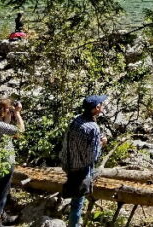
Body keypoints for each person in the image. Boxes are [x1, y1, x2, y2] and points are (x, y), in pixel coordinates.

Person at [60, 95, 107, 227]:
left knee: (76, 198)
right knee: (78, 201)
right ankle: (74, 224)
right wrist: (101, 144)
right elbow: (92, 156)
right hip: (81, 169)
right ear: (96, 108)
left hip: (68, 164)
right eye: (101, 104)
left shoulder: (76, 120)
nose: (103, 106)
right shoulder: (93, 128)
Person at [0, 98, 25, 225]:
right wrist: (17, 114)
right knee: (0, 193)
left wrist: (8, 115)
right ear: (1, 111)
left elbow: (6, 128)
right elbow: (20, 132)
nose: (9, 110)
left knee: (1, 190)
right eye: (6, 108)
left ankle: (2, 216)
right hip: (4, 163)